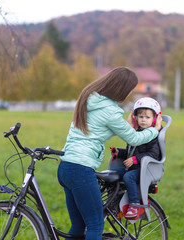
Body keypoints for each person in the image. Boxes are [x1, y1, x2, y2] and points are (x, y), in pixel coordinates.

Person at [57, 66, 162, 240]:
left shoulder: (88, 99)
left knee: (78, 226)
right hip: (80, 169)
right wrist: (155, 129)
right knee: (95, 225)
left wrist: (127, 125)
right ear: (122, 89)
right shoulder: (110, 112)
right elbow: (134, 139)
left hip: (65, 167)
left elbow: (101, 128)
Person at [110, 97, 162, 219]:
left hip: (146, 169)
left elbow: (154, 154)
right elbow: (131, 151)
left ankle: (134, 204)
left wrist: (135, 159)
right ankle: (113, 200)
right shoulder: (136, 133)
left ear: (154, 118)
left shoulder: (153, 136)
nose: (143, 120)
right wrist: (119, 152)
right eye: (140, 117)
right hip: (133, 167)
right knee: (112, 173)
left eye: (147, 117)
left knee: (128, 177)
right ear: (135, 117)